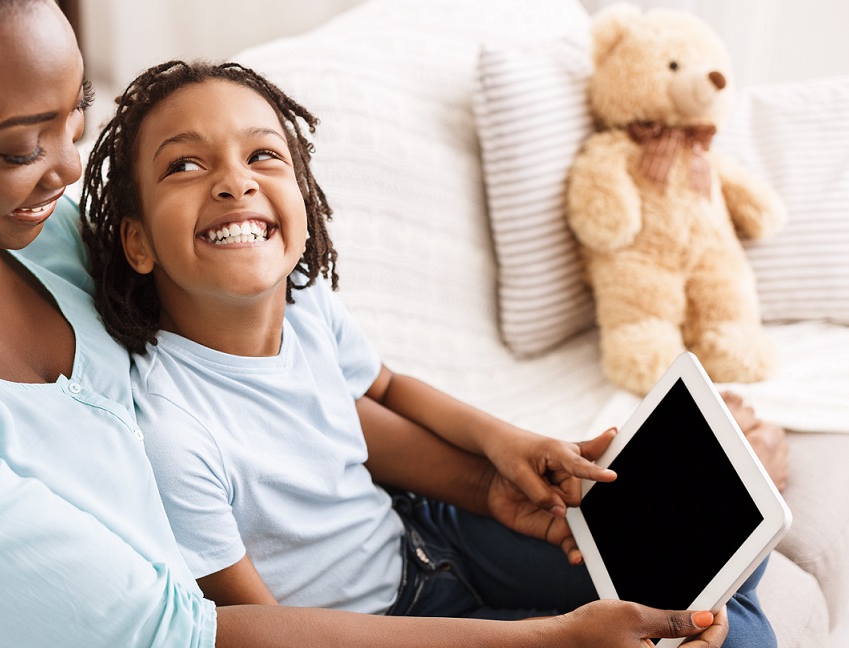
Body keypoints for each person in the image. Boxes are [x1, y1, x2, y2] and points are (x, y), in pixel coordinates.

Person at [0, 1, 740, 646]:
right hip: (245, 631)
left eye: (70, 124)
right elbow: (190, 631)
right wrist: (543, 641)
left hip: (343, 584)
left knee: (709, 585)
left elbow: (291, 395)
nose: (63, 171)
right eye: (16, 148)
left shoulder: (33, 236)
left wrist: (490, 477)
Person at [80, 60, 777, 646]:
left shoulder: (306, 302)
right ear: (136, 242)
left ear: (302, 197)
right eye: (185, 165)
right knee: (716, 628)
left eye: (263, 154)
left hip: (423, 534)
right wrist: (544, 636)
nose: (234, 182)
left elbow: (380, 390)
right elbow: (264, 632)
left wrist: (504, 447)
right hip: (380, 628)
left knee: (715, 563)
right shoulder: (171, 431)